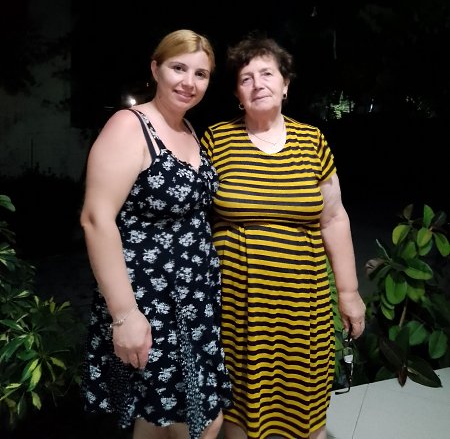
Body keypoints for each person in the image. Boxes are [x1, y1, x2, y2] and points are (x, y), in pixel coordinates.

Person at [201, 33, 366, 439]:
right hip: (237, 309)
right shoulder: (216, 141)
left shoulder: (312, 141)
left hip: (302, 306)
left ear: (286, 84)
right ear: (237, 94)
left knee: (304, 408)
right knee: (239, 410)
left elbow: (334, 218)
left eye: (267, 74)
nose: (257, 84)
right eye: (246, 78)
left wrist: (348, 292)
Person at [80, 29, 232, 439]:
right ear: (155, 68)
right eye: (178, 68)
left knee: (156, 420)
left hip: (194, 303)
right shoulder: (130, 126)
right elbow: (95, 218)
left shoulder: (188, 130)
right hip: (149, 304)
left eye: (201, 74)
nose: (189, 82)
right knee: (199, 423)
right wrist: (124, 315)